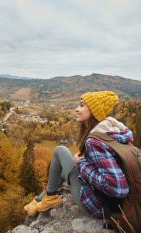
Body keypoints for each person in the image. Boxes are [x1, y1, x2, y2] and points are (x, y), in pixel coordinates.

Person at [24, 91, 133, 219]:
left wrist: (81, 164)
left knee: (60, 151)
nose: (76, 109)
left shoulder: (95, 141)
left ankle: (47, 198)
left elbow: (118, 188)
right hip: (107, 201)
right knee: (63, 165)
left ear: (94, 111)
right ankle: (42, 199)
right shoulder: (111, 132)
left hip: (97, 206)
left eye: (81, 105)